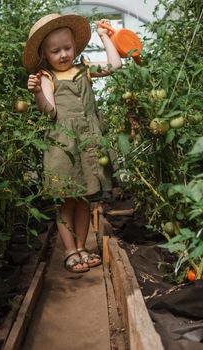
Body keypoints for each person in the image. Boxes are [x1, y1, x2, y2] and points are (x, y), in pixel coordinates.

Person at [23, 13, 122, 273]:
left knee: (85, 199)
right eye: (56, 51)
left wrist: (105, 38)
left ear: (75, 47)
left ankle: (82, 247)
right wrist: (36, 94)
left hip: (88, 142)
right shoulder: (46, 77)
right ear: (45, 54)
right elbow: (49, 111)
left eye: (67, 48)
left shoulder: (85, 70)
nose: (63, 54)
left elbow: (115, 66)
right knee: (66, 200)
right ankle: (69, 251)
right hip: (63, 147)